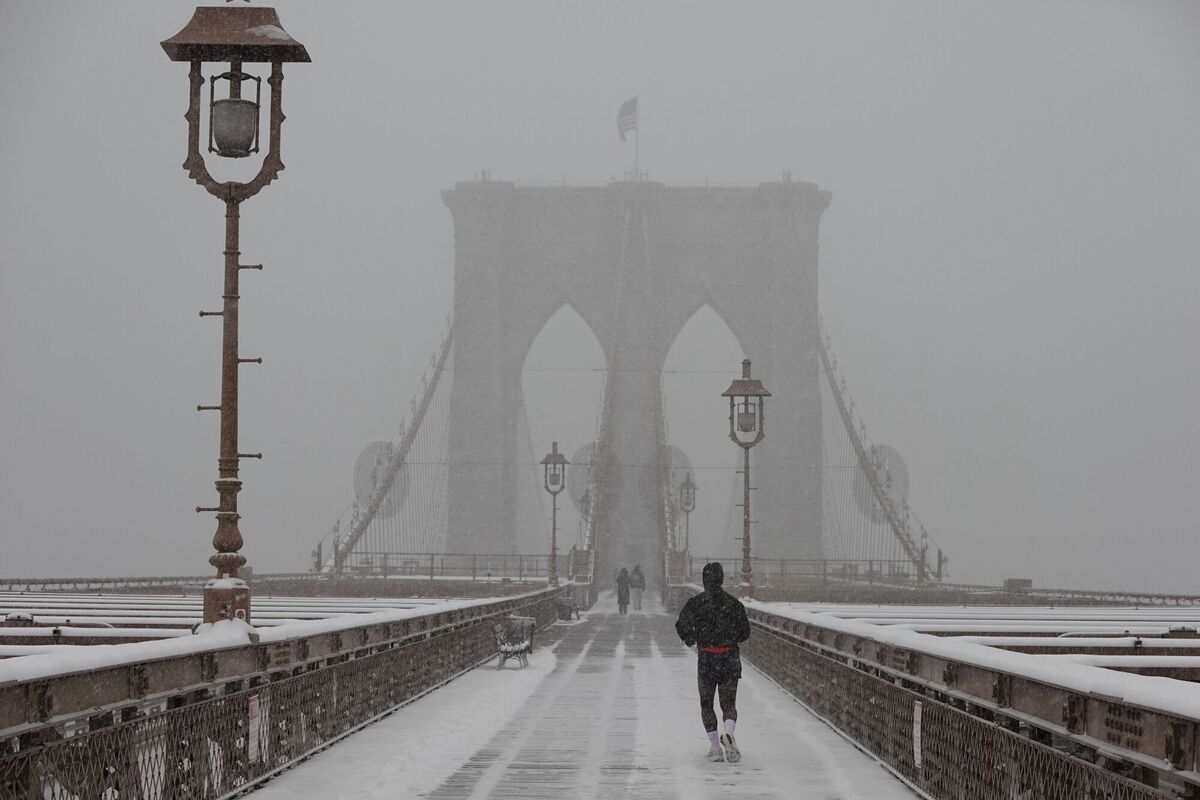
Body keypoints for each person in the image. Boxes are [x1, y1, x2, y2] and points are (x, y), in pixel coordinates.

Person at [674, 562, 750, 763]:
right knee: (729, 703)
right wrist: (730, 638)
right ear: (722, 579)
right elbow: (745, 632)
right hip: (729, 658)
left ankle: (716, 748)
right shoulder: (733, 604)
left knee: (707, 704)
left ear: (704, 580)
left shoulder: (696, 603)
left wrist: (692, 639)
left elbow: (680, 625)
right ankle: (729, 733)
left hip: (707, 658)